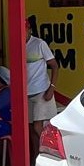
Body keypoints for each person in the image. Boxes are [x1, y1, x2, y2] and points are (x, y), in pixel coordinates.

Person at [26, 25, 60, 157]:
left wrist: (52, 87)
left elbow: (55, 66)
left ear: (29, 30)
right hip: (26, 93)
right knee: (30, 129)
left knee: (37, 127)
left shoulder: (39, 43)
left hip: (41, 90)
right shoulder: (17, 44)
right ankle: (36, 159)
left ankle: (53, 153)